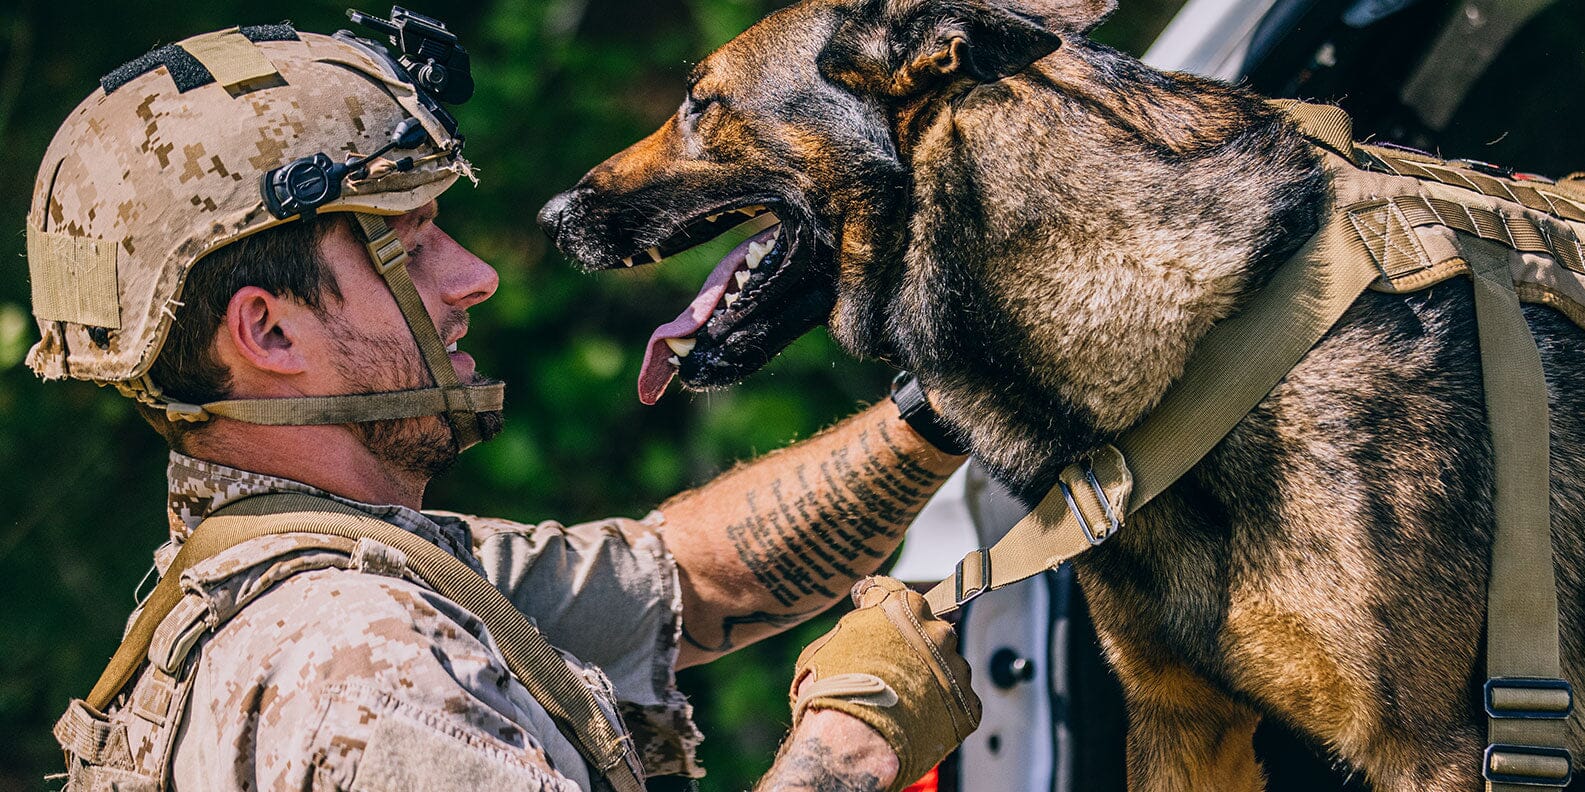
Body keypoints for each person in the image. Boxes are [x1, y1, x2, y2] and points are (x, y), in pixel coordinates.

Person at [27, 13, 977, 792]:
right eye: (405, 243)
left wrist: (950, 404)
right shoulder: (365, 671)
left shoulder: (307, 577)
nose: (475, 276)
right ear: (269, 334)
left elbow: (690, 577)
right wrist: (850, 748)